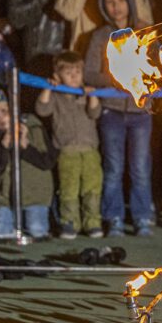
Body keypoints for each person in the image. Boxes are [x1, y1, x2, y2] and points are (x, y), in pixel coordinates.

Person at [84, 0, 155, 238]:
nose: (116, 8)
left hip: (141, 112)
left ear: (130, 2)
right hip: (112, 110)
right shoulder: (100, 36)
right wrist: (117, 79)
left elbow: (158, 69)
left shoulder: (145, 32)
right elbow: (90, 73)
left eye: (121, 1)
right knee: (113, 166)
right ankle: (113, 217)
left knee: (140, 166)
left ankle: (142, 217)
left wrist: (143, 79)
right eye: (110, 3)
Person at [36, 52, 104, 239]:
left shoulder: (86, 91)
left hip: (90, 150)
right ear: (58, 75)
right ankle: (70, 223)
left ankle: (92, 223)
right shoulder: (56, 95)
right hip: (67, 151)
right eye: (68, 72)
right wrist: (48, 87)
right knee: (69, 189)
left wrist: (93, 96)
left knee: (92, 188)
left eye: (77, 72)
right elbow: (42, 109)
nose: (74, 76)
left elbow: (95, 113)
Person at [0, 90, 53, 240]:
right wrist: (3, 146)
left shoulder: (34, 128)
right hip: (7, 199)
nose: (1, 118)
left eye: (3, 111)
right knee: (0, 233)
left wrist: (25, 146)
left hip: (35, 195)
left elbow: (47, 162)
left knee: (37, 231)